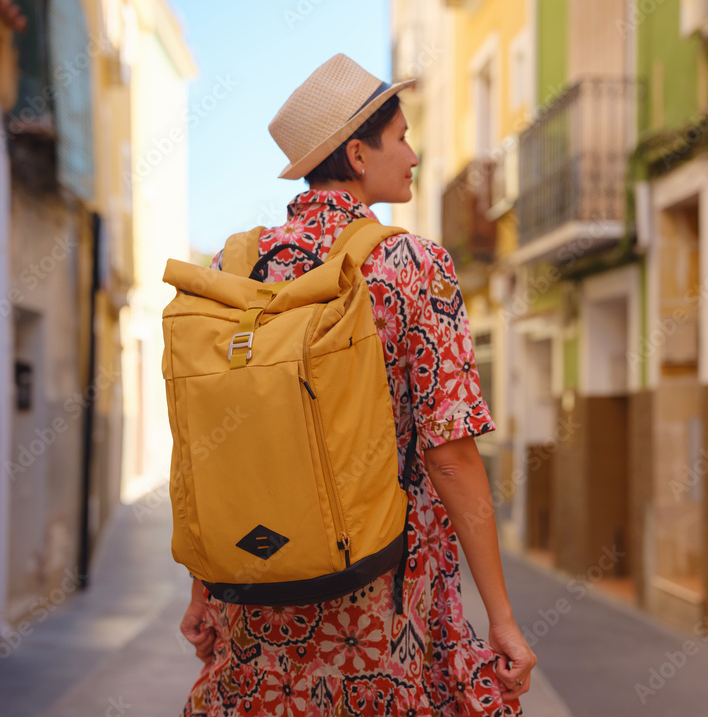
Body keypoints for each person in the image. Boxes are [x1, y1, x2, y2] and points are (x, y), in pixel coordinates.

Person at [179, 54, 536, 716]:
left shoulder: (238, 266)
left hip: (259, 598)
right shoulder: (411, 264)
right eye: (400, 136)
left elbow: (218, 441)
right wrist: (502, 617)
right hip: (385, 600)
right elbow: (451, 454)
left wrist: (203, 589)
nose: (413, 152)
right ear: (357, 153)